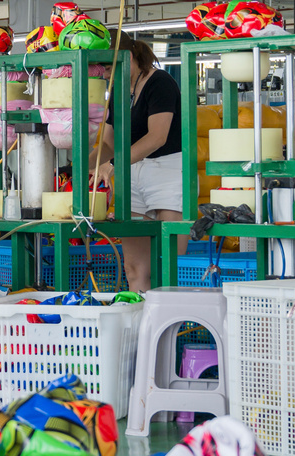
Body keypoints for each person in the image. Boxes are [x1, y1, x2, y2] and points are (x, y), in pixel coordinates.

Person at [90, 31, 184, 292]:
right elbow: (108, 143)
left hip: (169, 172)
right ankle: (139, 327)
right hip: (132, 174)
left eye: (108, 68)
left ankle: (171, 328)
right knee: (135, 268)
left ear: (128, 57)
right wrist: (76, 165)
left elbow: (157, 137)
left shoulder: (160, 83)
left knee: (171, 263)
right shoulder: (119, 90)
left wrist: (113, 165)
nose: (106, 76)